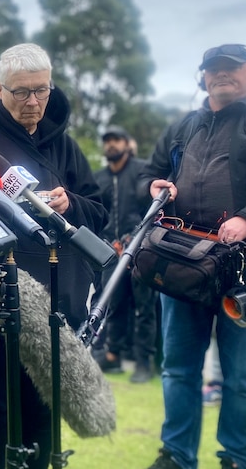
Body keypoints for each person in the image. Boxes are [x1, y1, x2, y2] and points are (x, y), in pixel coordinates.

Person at [140, 44, 246, 469]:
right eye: (213, 69)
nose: (222, 75)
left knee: (243, 378)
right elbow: (148, 172)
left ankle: (236, 458)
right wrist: (156, 186)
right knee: (177, 370)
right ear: (203, 77)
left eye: (232, 68)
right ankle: (176, 455)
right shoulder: (181, 128)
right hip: (183, 269)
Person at [0, 43, 107, 469]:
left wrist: (68, 203)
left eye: (41, 90)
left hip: (58, 307)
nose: (33, 102)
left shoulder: (66, 146)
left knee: (42, 421)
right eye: (21, 92)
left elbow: (100, 209)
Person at [93, 125, 158, 383]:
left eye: (116, 140)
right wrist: (107, 242)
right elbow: (98, 216)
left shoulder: (143, 172)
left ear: (127, 144)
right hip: (112, 252)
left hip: (143, 250)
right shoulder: (100, 178)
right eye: (107, 140)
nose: (111, 145)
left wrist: (135, 238)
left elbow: (155, 211)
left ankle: (144, 362)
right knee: (112, 305)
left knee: (145, 309)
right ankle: (113, 357)